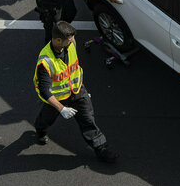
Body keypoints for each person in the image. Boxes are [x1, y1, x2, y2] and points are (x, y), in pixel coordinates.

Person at [33, 21, 119, 162]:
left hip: (78, 91)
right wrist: (61, 109)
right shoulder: (45, 62)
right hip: (58, 98)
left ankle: (101, 149)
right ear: (59, 40)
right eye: (70, 39)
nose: (73, 40)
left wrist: (79, 89)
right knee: (46, 119)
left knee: (88, 119)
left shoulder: (70, 44)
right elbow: (44, 91)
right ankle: (40, 130)